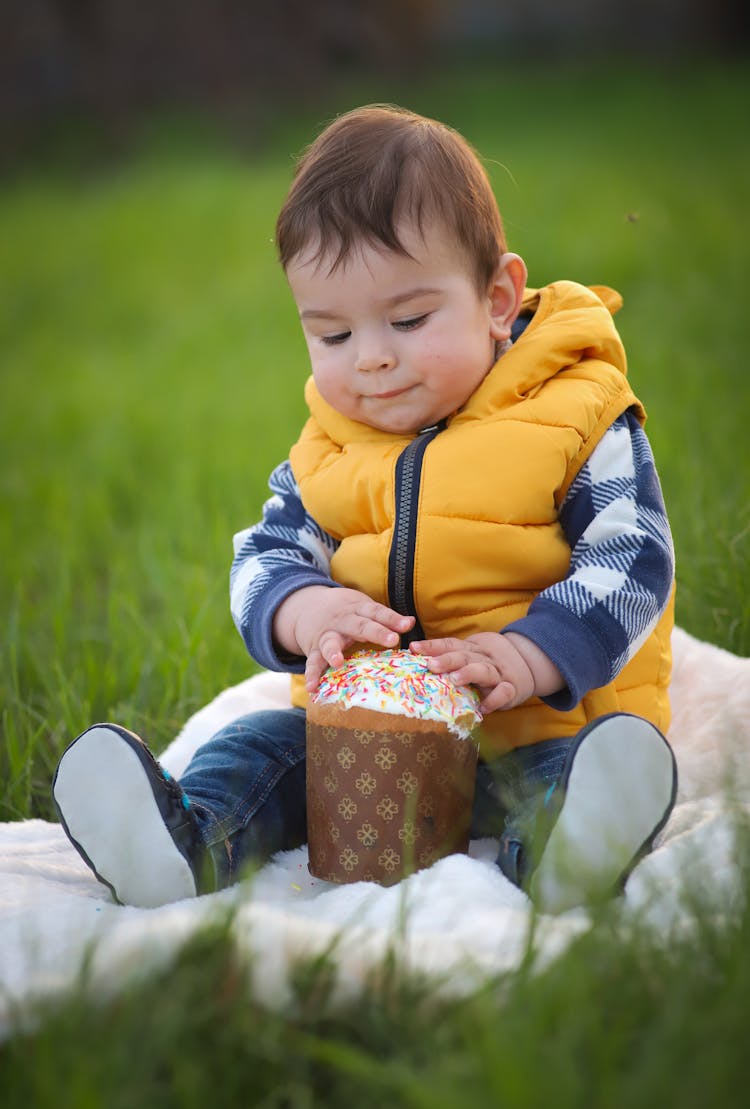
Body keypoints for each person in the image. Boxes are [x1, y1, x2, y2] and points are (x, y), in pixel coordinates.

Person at [53, 105, 677, 913]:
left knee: (573, 777)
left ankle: (569, 852)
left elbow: (633, 559)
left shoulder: (576, 411)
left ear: (497, 297)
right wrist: (304, 610)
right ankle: (189, 842)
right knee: (256, 750)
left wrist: (529, 657)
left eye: (409, 320)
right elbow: (262, 557)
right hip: (360, 749)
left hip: (535, 730)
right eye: (332, 335)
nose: (373, 358)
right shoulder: (332, 443)